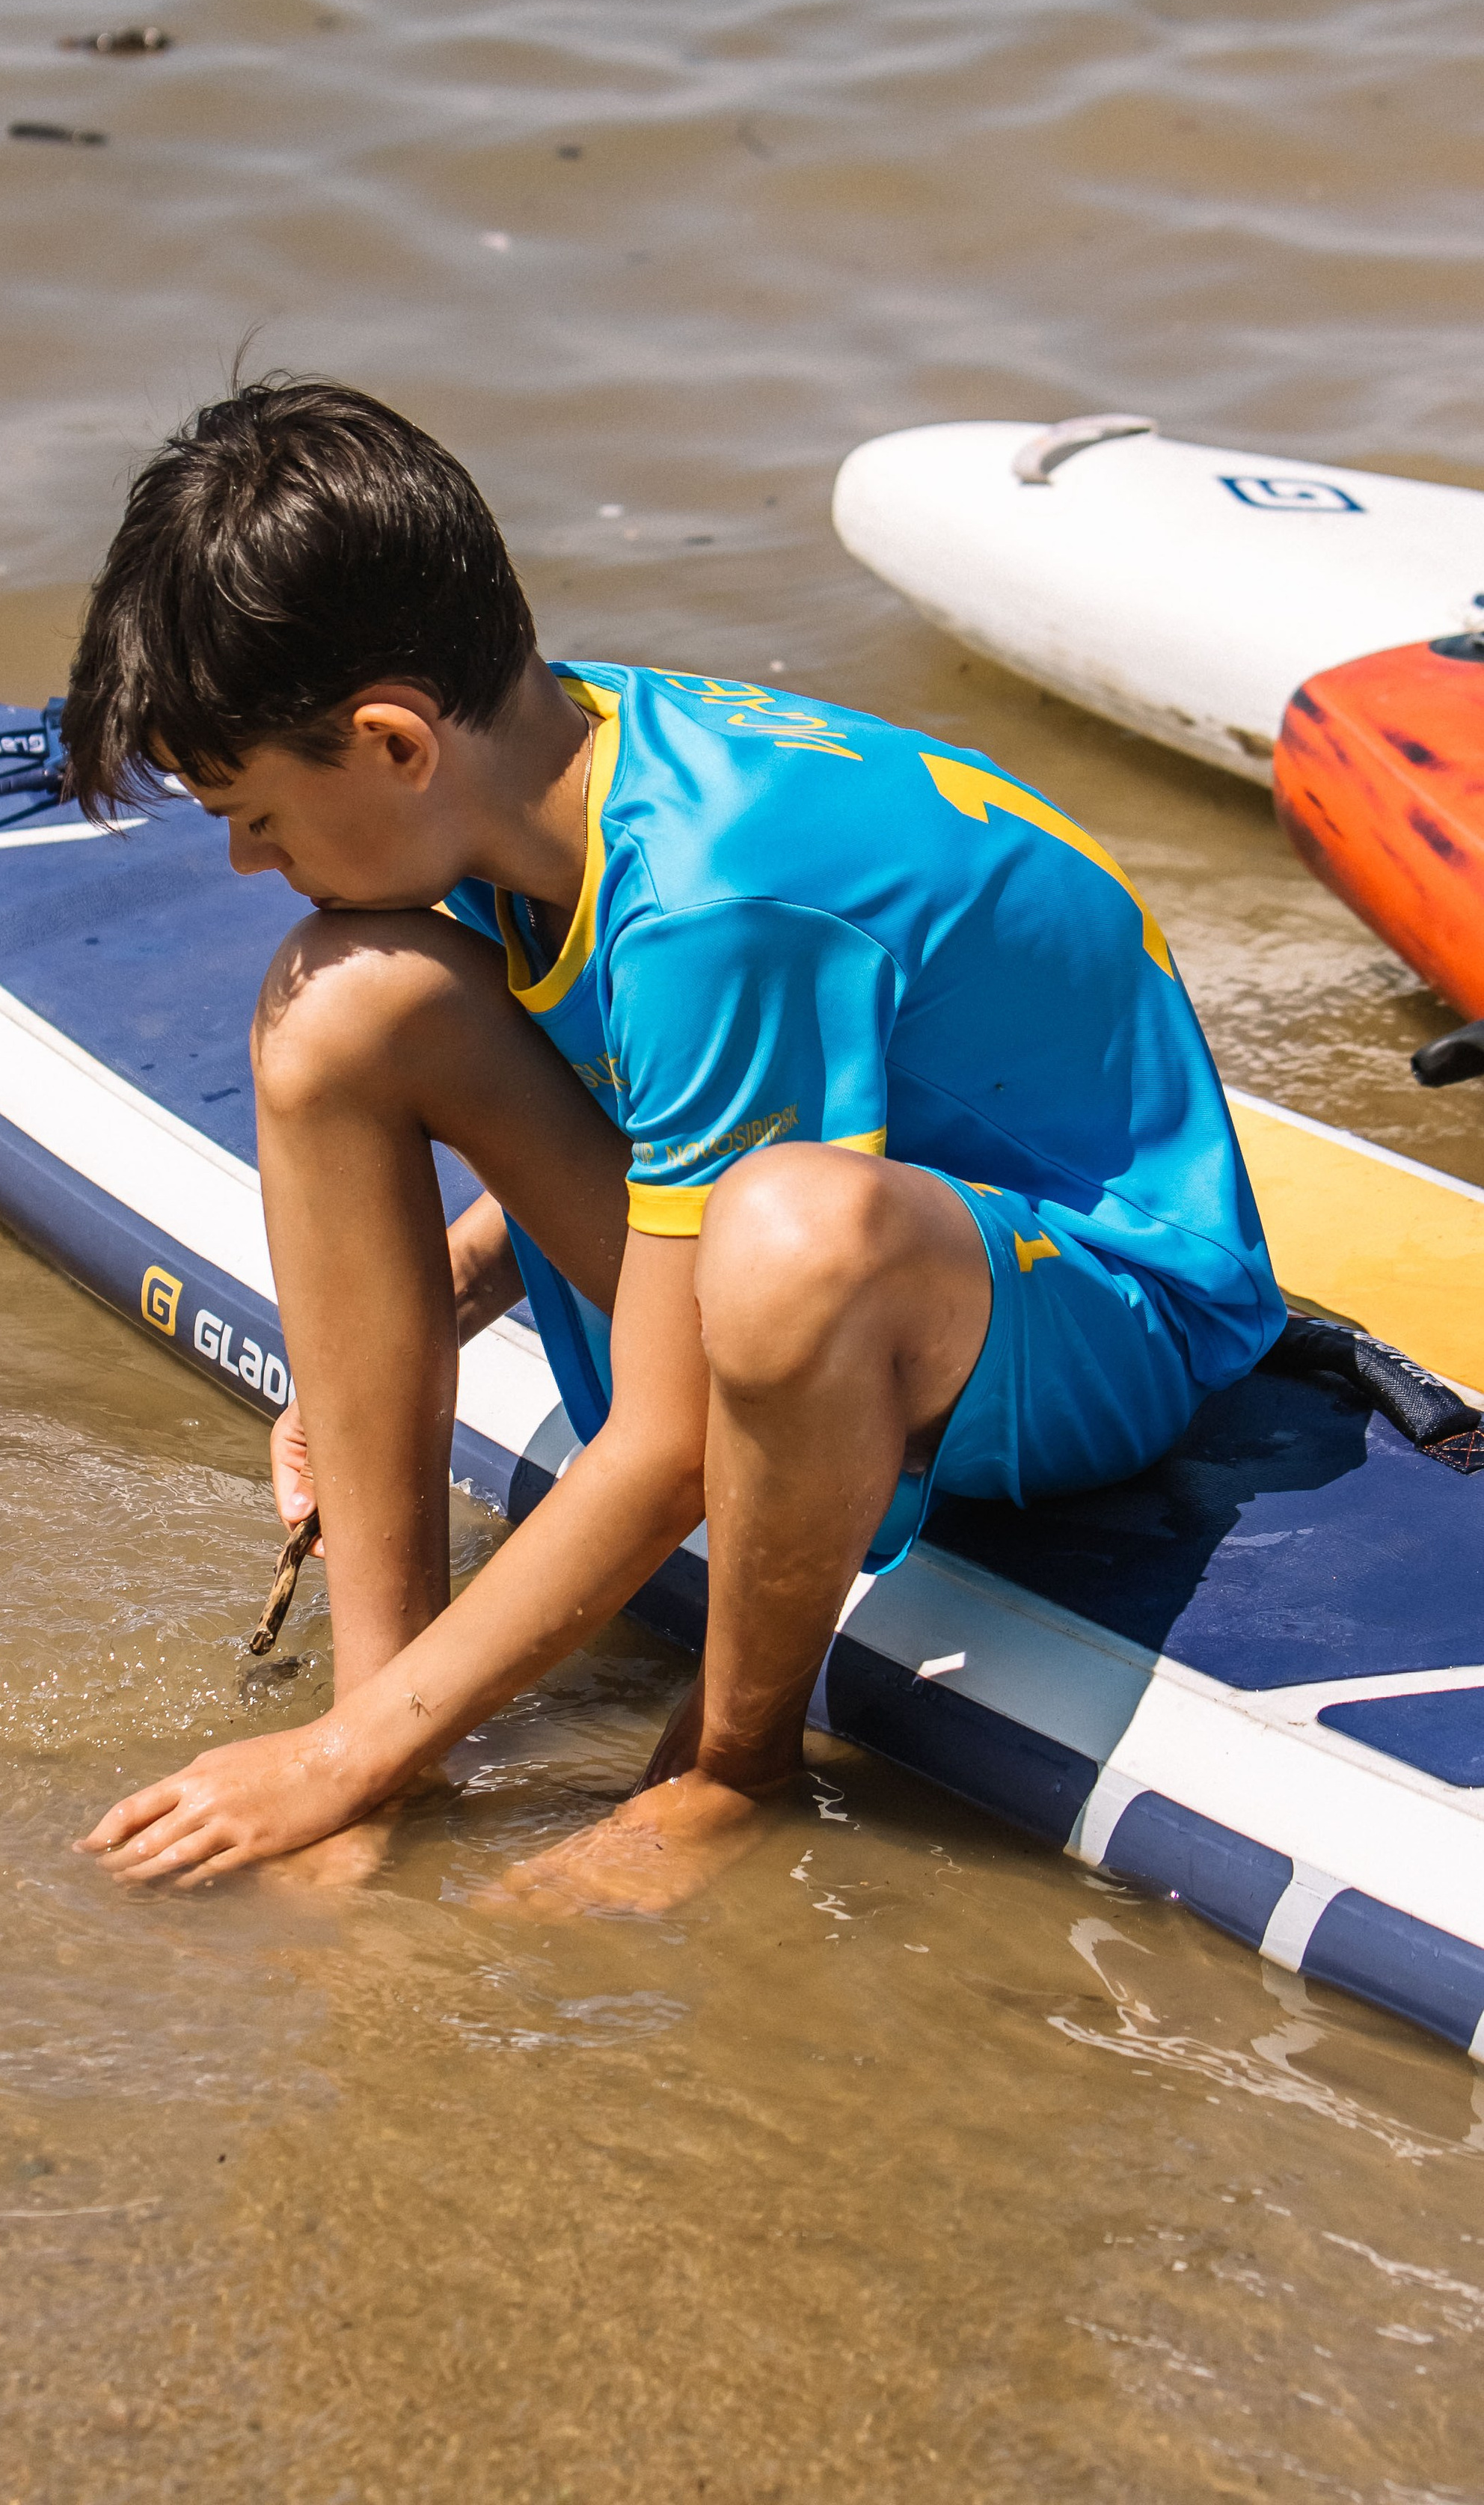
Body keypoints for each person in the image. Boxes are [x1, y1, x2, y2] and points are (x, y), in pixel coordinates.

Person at [63, 378, 1282, 1909]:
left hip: (1098, 1310)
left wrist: (323, 1769)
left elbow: (665, 1441)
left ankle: (727, 1766)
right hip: (867, 1218)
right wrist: (423, 1303)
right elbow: (680, 1118)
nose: (252, 863)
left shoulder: (713, 901)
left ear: (388, 740)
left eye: (252, 814)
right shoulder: (549, 757)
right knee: (337, 1007)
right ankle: (390, 1729)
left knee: (780, 1245)